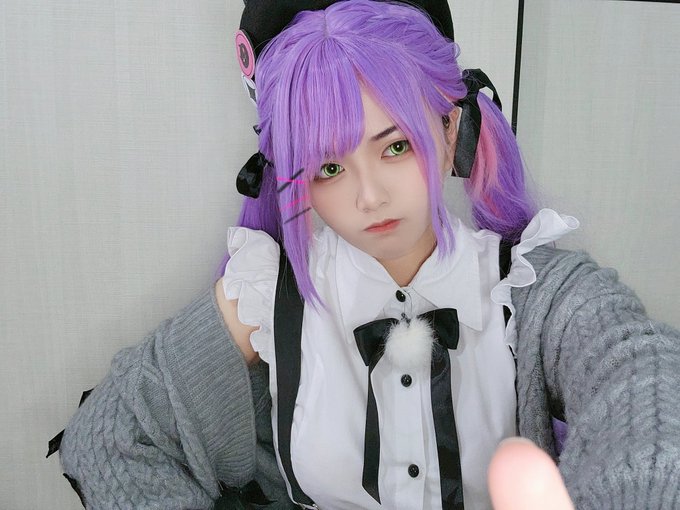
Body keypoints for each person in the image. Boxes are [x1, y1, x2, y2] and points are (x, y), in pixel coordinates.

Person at [52, 1, 680, 509]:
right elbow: (113, 435)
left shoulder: (533, 289)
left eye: (395, 146)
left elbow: (644, 388)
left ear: (449, 129)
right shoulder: (268, 297)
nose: (369, 195)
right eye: (329, 166)